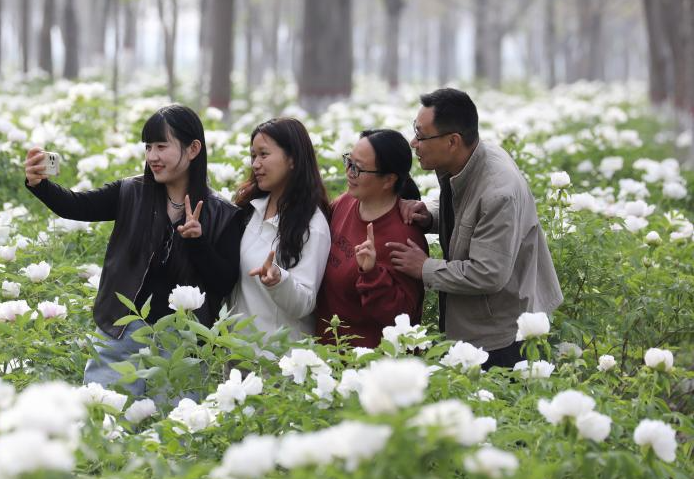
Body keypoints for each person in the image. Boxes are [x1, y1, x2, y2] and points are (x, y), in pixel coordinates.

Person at [23, 104, 243, 394]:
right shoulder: (131, 192)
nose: (152, 156)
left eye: (161, 146)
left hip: (183, 343)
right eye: (148, 147)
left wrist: (197, 242)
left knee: (172, 420)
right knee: (104, 411)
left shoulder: (223, 214)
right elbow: (76, 206)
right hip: (121, 331)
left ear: (193, 149)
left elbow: (225, 282)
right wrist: (39, 184)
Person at [387, 88, 563, 369]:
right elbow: (468, 212)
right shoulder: (467, 159)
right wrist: (430, 214)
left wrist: (424, 268)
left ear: (452, 141)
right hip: (478, 326)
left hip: (502, 338)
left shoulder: (498, 191)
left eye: (421, 135)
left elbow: (488, 273)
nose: (413, 143)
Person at [316, 129, 427, 348]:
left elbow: (402, 319)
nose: (349, 172)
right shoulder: (344, 203)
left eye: (358, 168)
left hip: (367, 361)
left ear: (388, 180)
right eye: (349, 161)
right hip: (326, 353)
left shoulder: (403, 237)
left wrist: (372, 274)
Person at [231, 117, 331, 341]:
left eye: (264, 154)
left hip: (276, 355)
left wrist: (280, 280)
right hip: (236, 352)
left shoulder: (312, 225)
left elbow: (305, 303)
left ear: (292, 159)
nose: (255, 164)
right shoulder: (250, 209)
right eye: (253, 156)